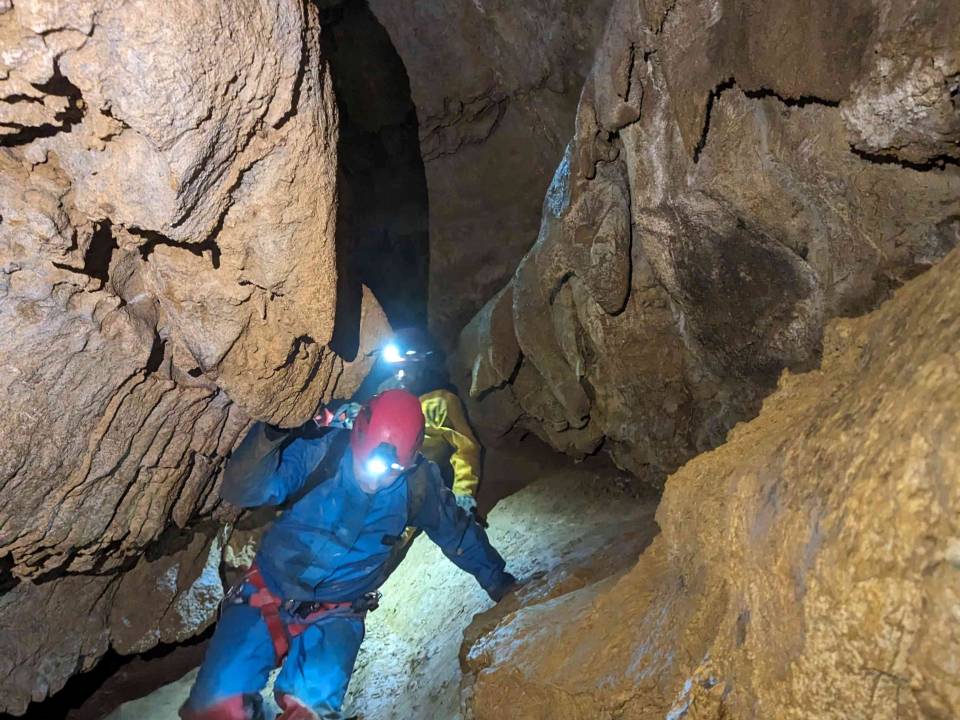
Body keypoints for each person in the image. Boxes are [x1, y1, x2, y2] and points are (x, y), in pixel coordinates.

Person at [179, 389, 516, 720]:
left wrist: (499, 581)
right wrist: (269, 435)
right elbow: (243, 490)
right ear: (357, 435)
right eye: (370, 464)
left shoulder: (418, 484)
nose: (377, 480)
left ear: (411, 461)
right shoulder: (324, 448)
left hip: (337, 612)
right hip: (268, 590)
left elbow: (457, 533)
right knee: (213, 710)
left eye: (392, 471)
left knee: (311, 711)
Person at [356, 327, 482, 517]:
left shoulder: (442, 401)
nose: (401, 374)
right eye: (396, 368)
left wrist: (463, 494)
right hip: (389, 476)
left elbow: (466, 449)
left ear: (422, 364)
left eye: (407, 368)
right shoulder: (385, 395)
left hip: (425, 479)